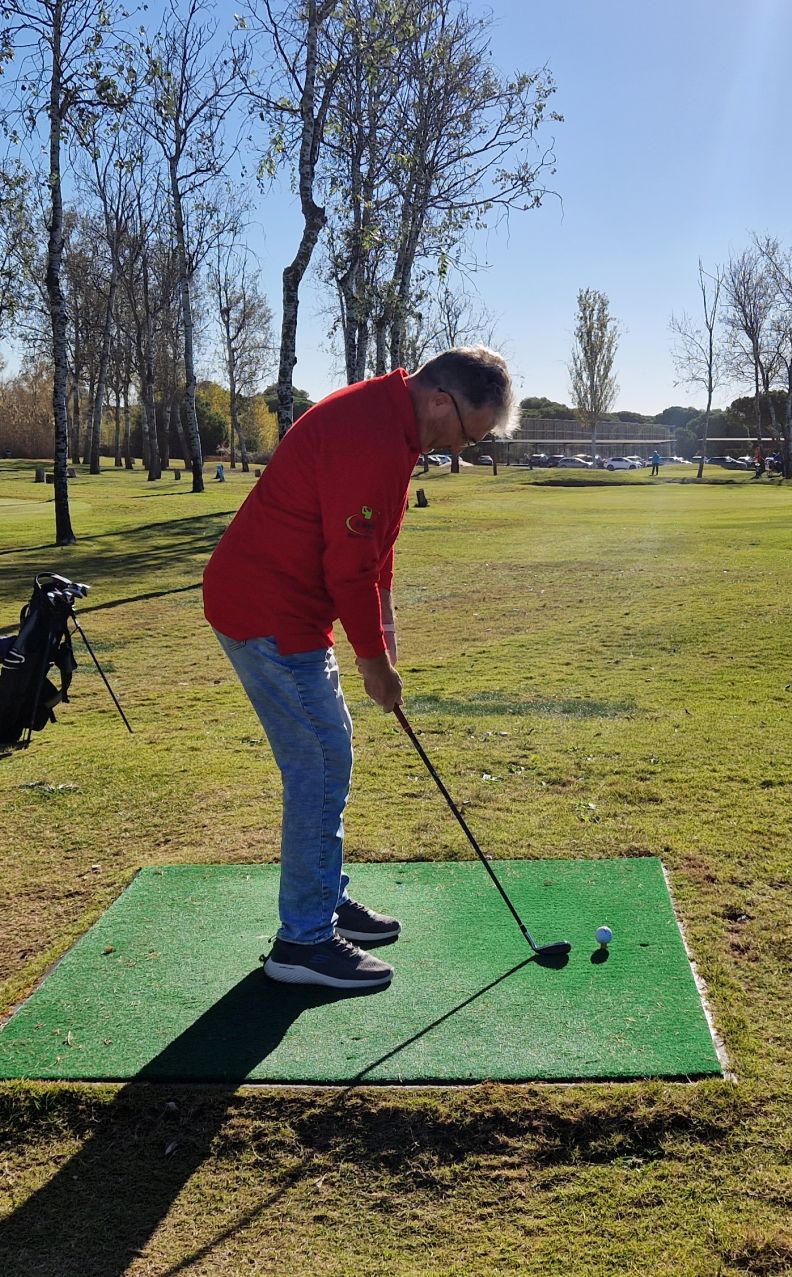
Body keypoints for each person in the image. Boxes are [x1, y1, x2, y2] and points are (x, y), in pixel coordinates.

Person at [202, 347, 516, 991]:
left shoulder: (395, 426)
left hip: (281, 603)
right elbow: (347, 569)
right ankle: (304, 941)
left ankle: (321, 897)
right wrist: (373, 665)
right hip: (269, 609)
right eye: (468, 434)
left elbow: (377, 550)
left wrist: (386, 637)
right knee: (319, 761)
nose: (463, 449)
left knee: (328, 752)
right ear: (440, 401)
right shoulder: (370, 436)